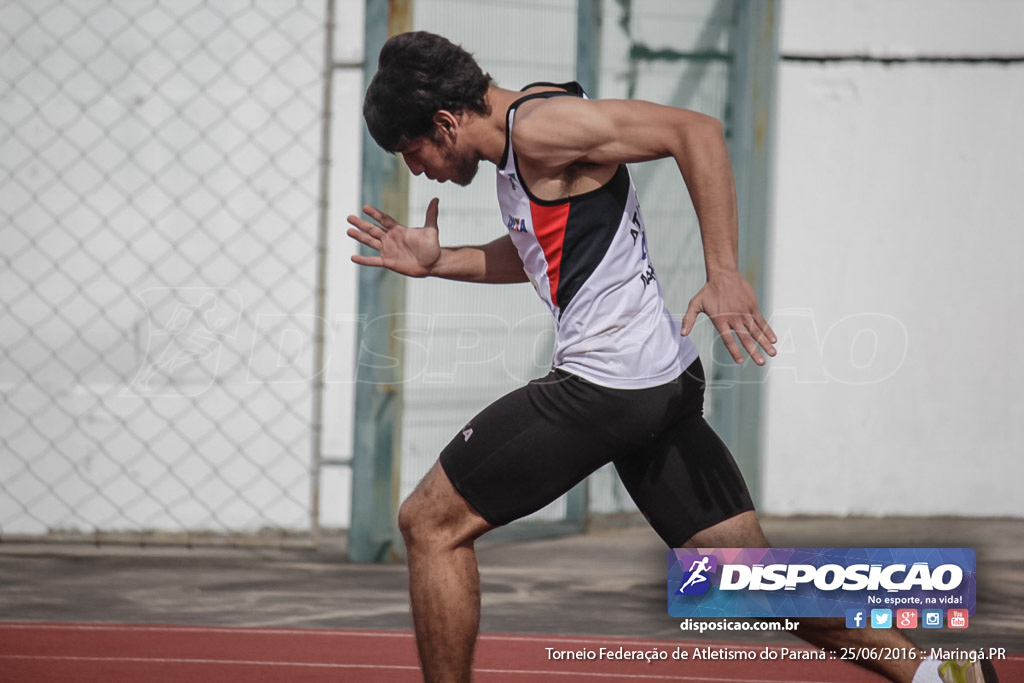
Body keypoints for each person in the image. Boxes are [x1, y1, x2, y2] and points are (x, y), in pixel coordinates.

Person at [347, 31, 998, 683]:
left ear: (445, 122)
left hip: (605, 387)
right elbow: (541, 252)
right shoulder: (527, 146)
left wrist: (723, 272)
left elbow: (697, 133)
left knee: (429, 522)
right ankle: (937, 674)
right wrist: (441, 262)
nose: (417, 170)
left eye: (413, 151)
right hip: (657, 383)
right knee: (753, 580)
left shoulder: (542, 130)